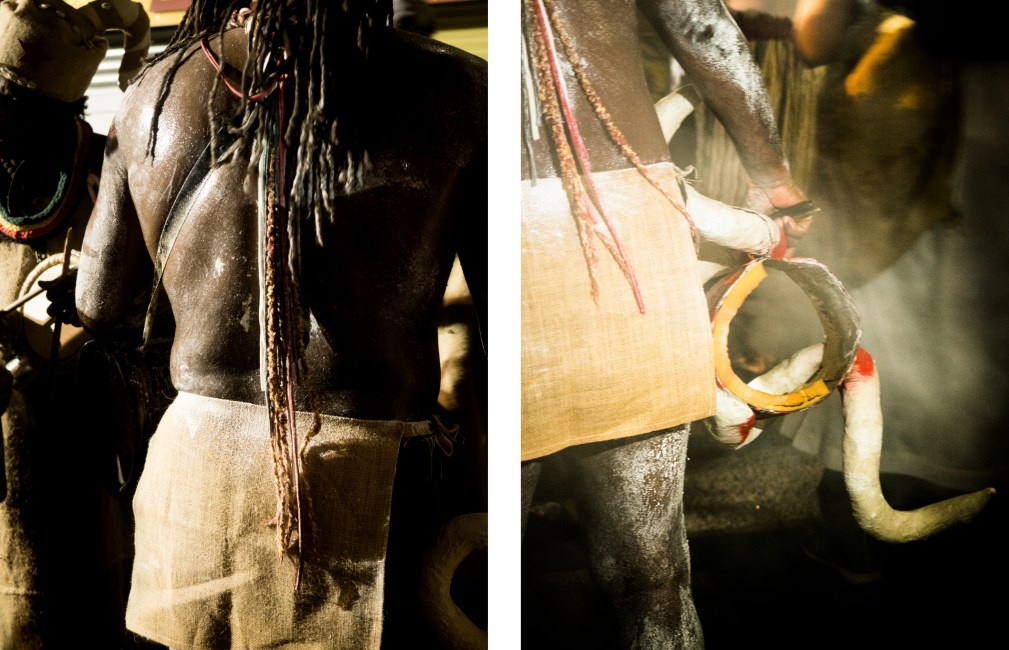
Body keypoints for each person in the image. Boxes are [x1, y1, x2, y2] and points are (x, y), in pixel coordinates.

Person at [73, 0, 486, 647]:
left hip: (193, 474)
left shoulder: (150, 92)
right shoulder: (459, 87)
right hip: (369, 479)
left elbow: (99, 305)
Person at [520, 0, 812, 646]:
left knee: (491, 563)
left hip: (520, 219)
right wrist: (777, 183)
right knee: (650, 577)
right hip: (624, 208)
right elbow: (706, 30)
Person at [781, 0, 1009, 603]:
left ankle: (856, 544)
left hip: (913, 118)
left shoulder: (900, 49)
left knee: (892, 339)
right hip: (965, 140)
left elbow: (813, 34)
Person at [0, 0, 150, 646]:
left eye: (15, 104)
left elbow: (149, 288)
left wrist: (94, 293)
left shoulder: (103, 168)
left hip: (85, 416)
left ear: (57, 112)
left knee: (90, 580)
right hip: (6, 419)